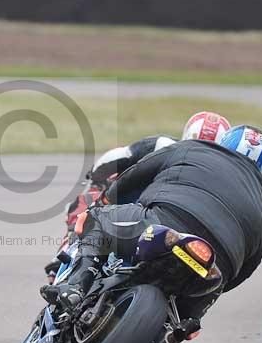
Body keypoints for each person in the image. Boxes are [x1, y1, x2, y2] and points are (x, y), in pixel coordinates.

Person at [41, 125, 262, 343]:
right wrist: (220, 280)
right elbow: (249, 266)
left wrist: (107, 199)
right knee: (187, 320)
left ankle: (77, 285)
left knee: (94, 219)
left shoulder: (194, 148)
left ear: (223, 141)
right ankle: (168, 340)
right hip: (215, 265)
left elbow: (139, 172)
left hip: (167, 223)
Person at [45, 111, 231, 280]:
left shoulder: (166, 145)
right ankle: (65, 256)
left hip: (150, 219)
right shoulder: (224, 177)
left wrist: (96, 176)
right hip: (176, 228)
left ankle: (63, 260)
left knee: (88, 203)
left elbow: (119, 156)